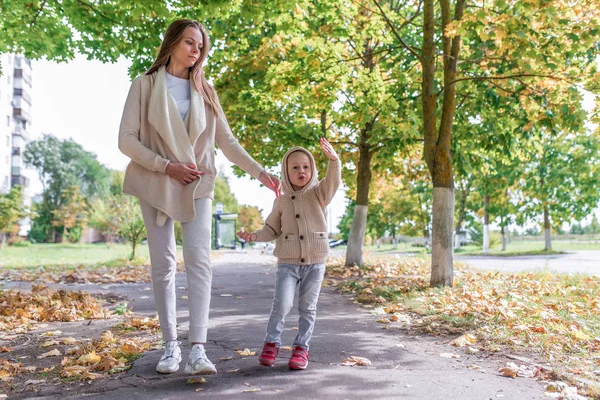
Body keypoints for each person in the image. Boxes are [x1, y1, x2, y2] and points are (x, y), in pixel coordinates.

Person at [118, 19, 281, 375]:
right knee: (162, 265)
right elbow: (126, 140)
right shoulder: (144, 85)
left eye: (201, 46)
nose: (196, 50)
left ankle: (198, 350)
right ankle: (170, 347)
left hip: (198, 182)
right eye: (190, 42)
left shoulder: (206, 90)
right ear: (173, 42)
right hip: (158, 180)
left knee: (199, 261)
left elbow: (227, 141)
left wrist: (260, 172)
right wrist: (165, 166)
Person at [237, 138, 341, 370]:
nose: (301, 171)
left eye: (305, 166)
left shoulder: (319, 194)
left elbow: (333, 182)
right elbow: (271, 229)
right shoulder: (281, 201)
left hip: (315, 262)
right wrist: (254, 236)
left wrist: (333, 161)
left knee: (307, 307)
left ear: (312, 170)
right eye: (295, 167)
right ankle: (271, 344)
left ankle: (301, 349)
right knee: (282, 304)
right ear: (286, 172)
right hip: (288, 263)